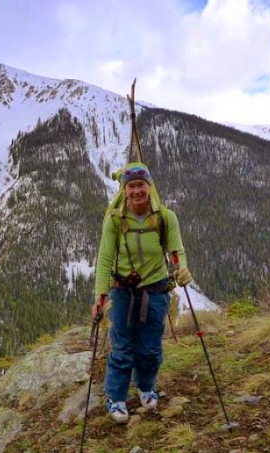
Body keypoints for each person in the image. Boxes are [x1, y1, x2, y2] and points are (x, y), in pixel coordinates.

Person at [92, 162, 193, 423]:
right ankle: (116, 398)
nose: (137, 191)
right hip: (123, 292)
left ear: (149, 187)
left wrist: (181, 269)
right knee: (122, 347)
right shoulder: (115, 221)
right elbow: (105, 260)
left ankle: (146, 386)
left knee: (150, 348)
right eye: (132, 186)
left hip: (156, 291)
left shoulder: (165, 218)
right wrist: (100, 298)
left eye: (141, 185)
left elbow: (175, 250)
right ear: (125, 191)